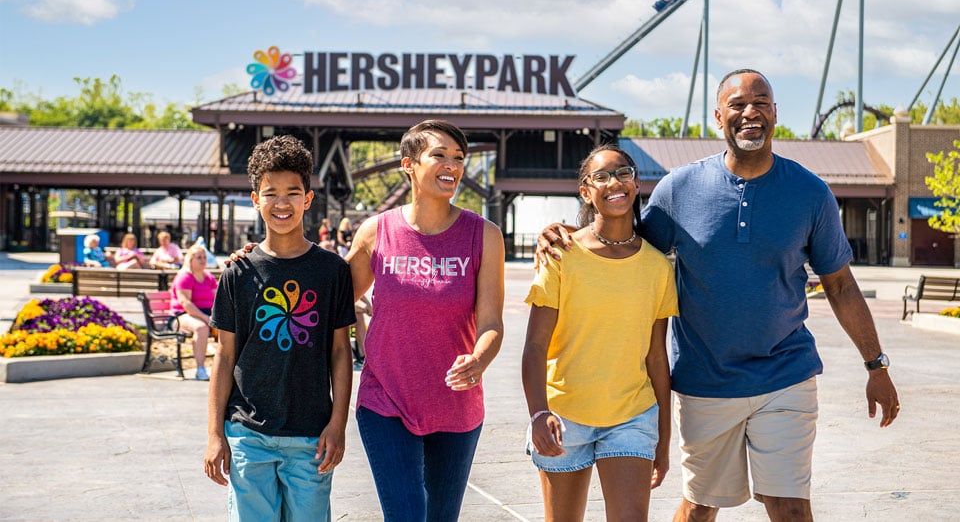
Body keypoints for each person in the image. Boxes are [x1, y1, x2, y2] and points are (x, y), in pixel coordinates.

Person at [537, 69, 900, 522]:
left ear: (774, 113)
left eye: (761, 102)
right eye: (738, 105)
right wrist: (566, 232)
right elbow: (624, 244)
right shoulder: (678, 189)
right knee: (700, 507)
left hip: (785, 374)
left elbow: (841, 285)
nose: (751, 113)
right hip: (705, 381)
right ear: (718, 117)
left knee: (789, 505)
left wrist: (876, 365)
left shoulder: (811, 193)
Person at [345, 119, 505, 521]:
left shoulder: (484, 235)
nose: (452, 165)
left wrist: (480, 360)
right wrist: (265, 256)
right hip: (386, 399)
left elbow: (491, 322)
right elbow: (328, 295)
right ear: (409, 164)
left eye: (459, 158)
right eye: (440, 155)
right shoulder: (375, 232)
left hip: (456, 405)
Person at [203, 135, 355, 521]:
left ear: (308, 198)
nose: (281, 203)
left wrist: (338, 424)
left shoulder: (332, 271)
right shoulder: (238, 272)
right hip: (247, 434)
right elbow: (224, 354)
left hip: (311, 436)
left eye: (293, 192)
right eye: (270, 193)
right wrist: (215, 434)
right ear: (255, 199)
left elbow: (341, 352)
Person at [522, 145, 676, 522]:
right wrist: (539, 413)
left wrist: (664, 439)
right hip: (565, 414)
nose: (615, 183)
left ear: (637, 183)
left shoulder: (657, 267)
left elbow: (657, 358)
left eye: (623, 173)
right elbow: (535, 346)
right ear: (585, 192)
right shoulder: (561, 255)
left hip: (632, 416)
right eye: (601, 177)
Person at [170, 244, 218, 381]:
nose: (203, 260)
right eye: (199, 258)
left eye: (204, 257)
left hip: (206, 315)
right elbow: (186, 304)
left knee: (230, 327)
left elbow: (218, 299)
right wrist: (206, 318)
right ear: (190, 260)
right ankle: (200, 369)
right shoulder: (184, 277)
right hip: (181, 316)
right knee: (201, 328)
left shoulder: (208, 277)